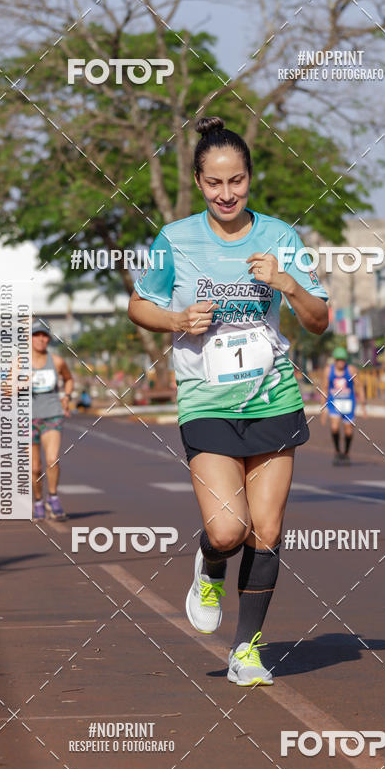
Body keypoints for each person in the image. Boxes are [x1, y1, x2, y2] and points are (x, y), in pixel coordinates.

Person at [128, 116, 329, 687]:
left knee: (266, 529)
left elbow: (318, 321)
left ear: (249, 178)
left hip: (273, 399)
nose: (226, 194)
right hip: (207, 400)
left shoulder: (281, 239)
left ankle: (247, 649)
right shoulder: (176, 239)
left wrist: (288, 285)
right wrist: (174, 318)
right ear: (198, 182)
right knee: (226, 529)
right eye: (214, 184)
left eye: (236, 181)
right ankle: (209, 566)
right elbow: (139, 306)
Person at [31, 320, 73, 521]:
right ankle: (38, 500)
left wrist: (66, 397)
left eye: (44, 335)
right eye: (36, 335)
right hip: (27, 419)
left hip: (52, 415)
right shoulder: (20, 363)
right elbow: (5, 387)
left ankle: (53, 497)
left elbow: (69, 379)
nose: (40, 339)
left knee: (52, 460)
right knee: (35, 468)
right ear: (29, 339)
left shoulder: (56, 361)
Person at [320, 347, 366, 465]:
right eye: (339, 360)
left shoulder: (350, 369)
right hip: (334, 403)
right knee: (335, 427)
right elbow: (324, 388)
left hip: (348, 403)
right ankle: (336, 451)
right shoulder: (328, 370)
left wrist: (363, 405)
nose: (341, 362)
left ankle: (346, 453)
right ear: (335, 360)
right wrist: (323, 408)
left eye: (343, 360)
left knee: (348, 431)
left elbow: (359, 386)